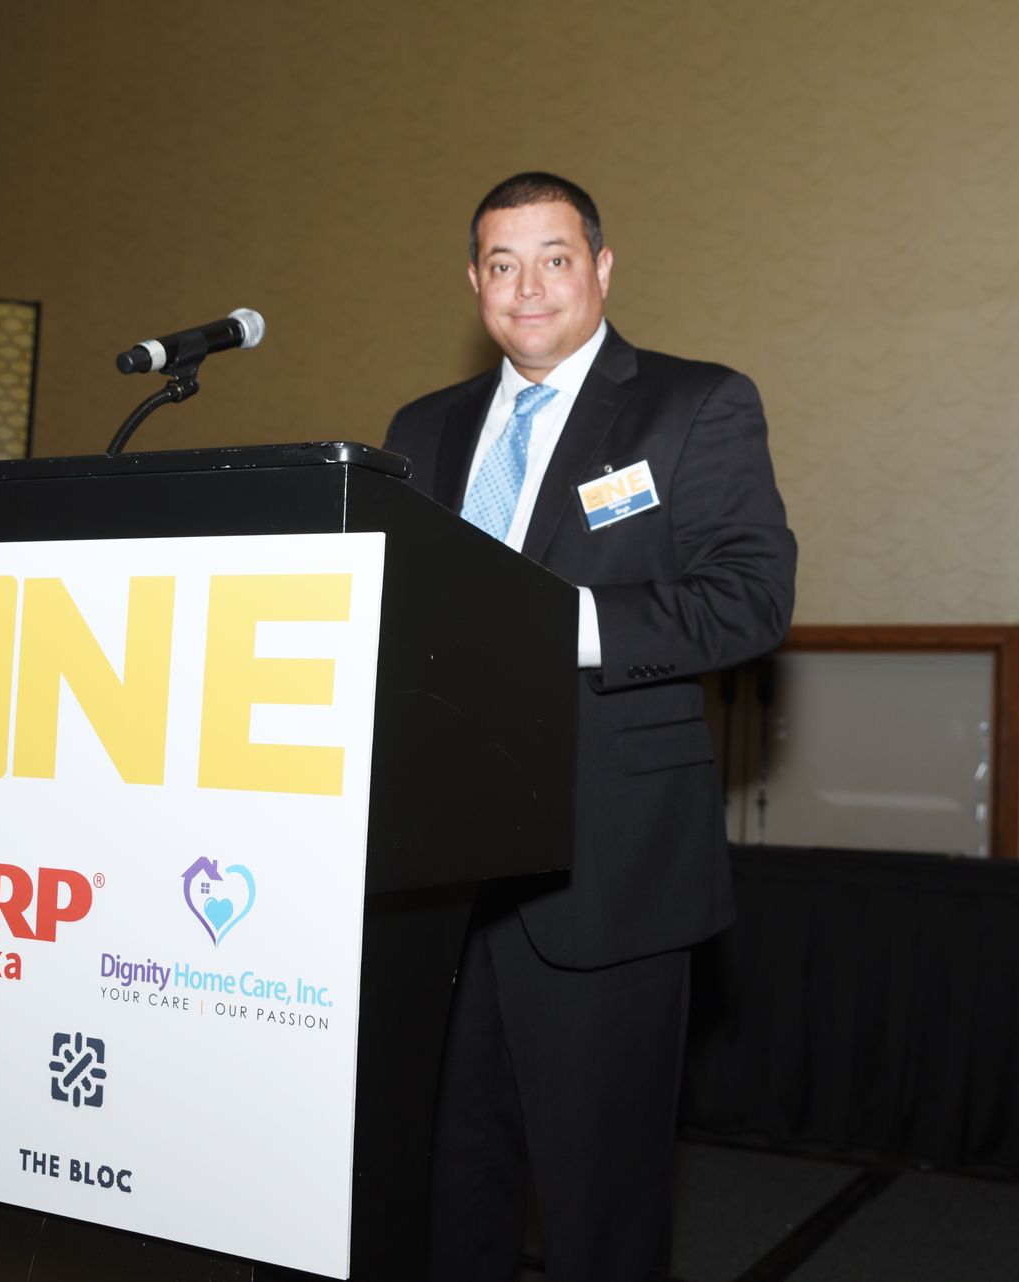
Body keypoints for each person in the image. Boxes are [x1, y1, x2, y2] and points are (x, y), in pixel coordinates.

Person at [383, 172, 797, 1282]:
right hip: (440, 875)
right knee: (448, 1187)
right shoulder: (421, 429)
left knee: (599, 1205)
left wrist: (556, 622)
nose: (528, 288)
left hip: (607, 865)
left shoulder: (692, 405)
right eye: (502, 264)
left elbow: (751, 599)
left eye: (554, 259)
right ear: (474, 281)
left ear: (602, 269)